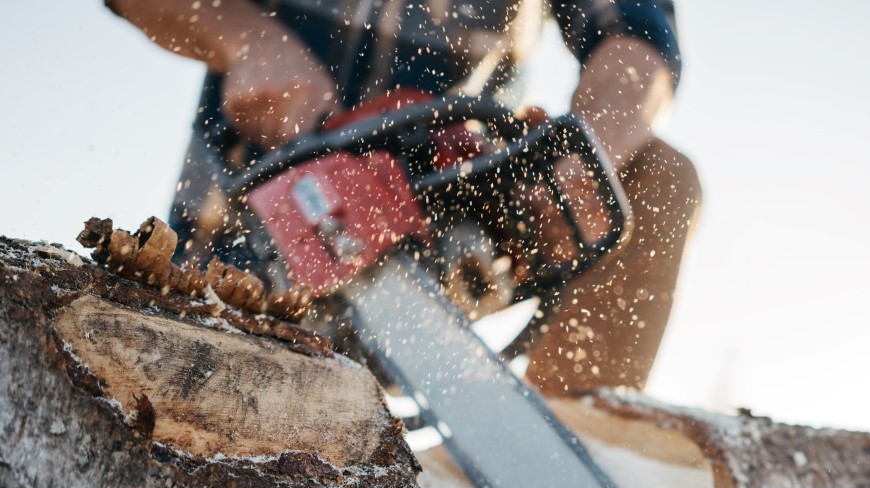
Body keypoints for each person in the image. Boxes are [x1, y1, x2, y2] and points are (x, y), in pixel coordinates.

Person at [108, 0, 700, 396]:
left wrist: (575, 156)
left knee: (660, 178)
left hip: (444, 232)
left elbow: (638, 42)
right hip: (244, 241)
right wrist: (243, 40)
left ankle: (576, 442)